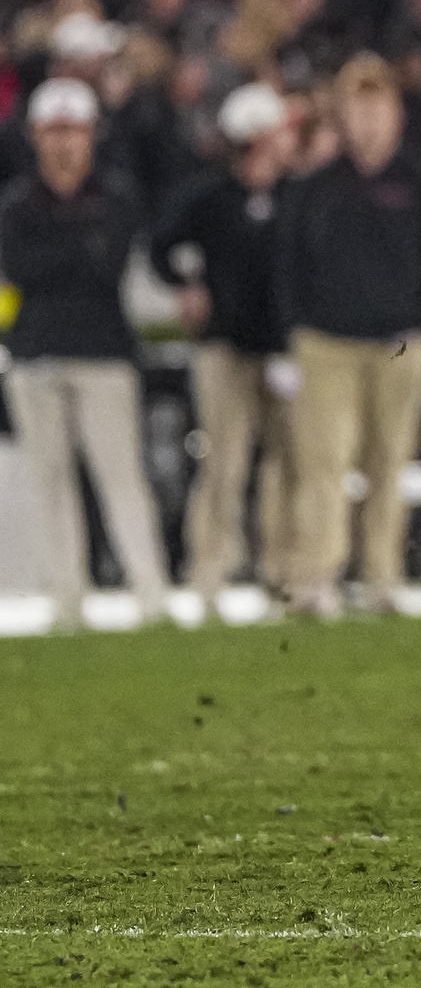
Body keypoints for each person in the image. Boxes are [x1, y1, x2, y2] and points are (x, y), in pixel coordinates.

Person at [275, 54, 421, 617]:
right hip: (326, 342)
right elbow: (288, 265)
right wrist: (294, 333)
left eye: (379, 106)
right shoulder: (316, 187)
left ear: (397, 115)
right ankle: (316, 578)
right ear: (342, 116)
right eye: (359, 107)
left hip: (401, 341)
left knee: (389, 464)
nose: (370, 119)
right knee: (323, 463)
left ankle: (383, 575)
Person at [0, 79, 173, 631]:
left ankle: (150, 594)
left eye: (72, 129)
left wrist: (58, 255)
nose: (63, 143)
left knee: (120, 477)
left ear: (92, 133)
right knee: (51, 482)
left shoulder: (117, 194)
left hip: (103, 354)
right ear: (35, 136)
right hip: (36, 354)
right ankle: (67, 602)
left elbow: (106, 264)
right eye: (54, 130)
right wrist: (76, 249)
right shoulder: (17, 202)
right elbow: (21, 268)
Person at [148, 83, 300, 613]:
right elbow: (160, 245)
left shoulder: (294, 194)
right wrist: (187, 285)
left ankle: (282, 571)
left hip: (284, 348)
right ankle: (210, 570)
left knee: (288, 464)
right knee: (224, 463)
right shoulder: (207, 196)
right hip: (224, 346)